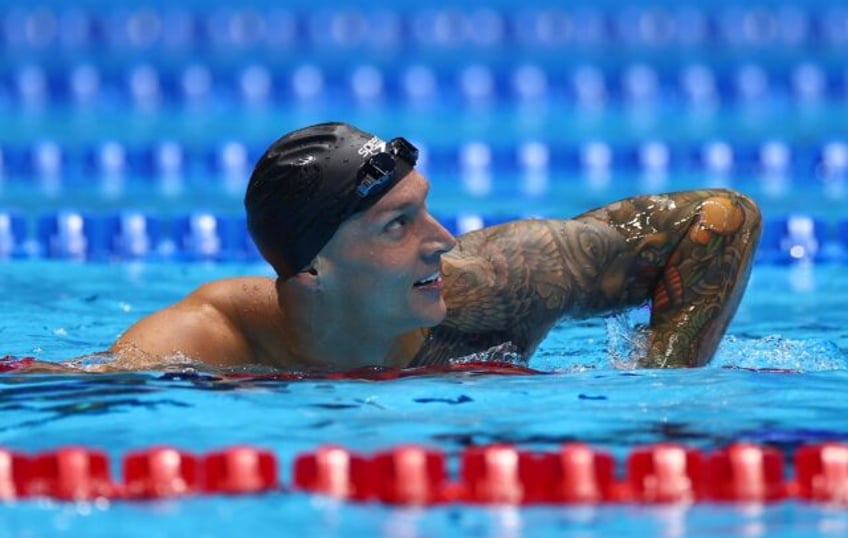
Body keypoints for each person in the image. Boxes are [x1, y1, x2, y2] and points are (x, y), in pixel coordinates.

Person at [105, 122, 761, 372]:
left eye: (425, 209)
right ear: (312, 272)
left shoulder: (506, 284)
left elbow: (721, 215)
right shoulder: (203, 346)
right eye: (399, 224)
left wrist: (666, 391)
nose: (443, 241)